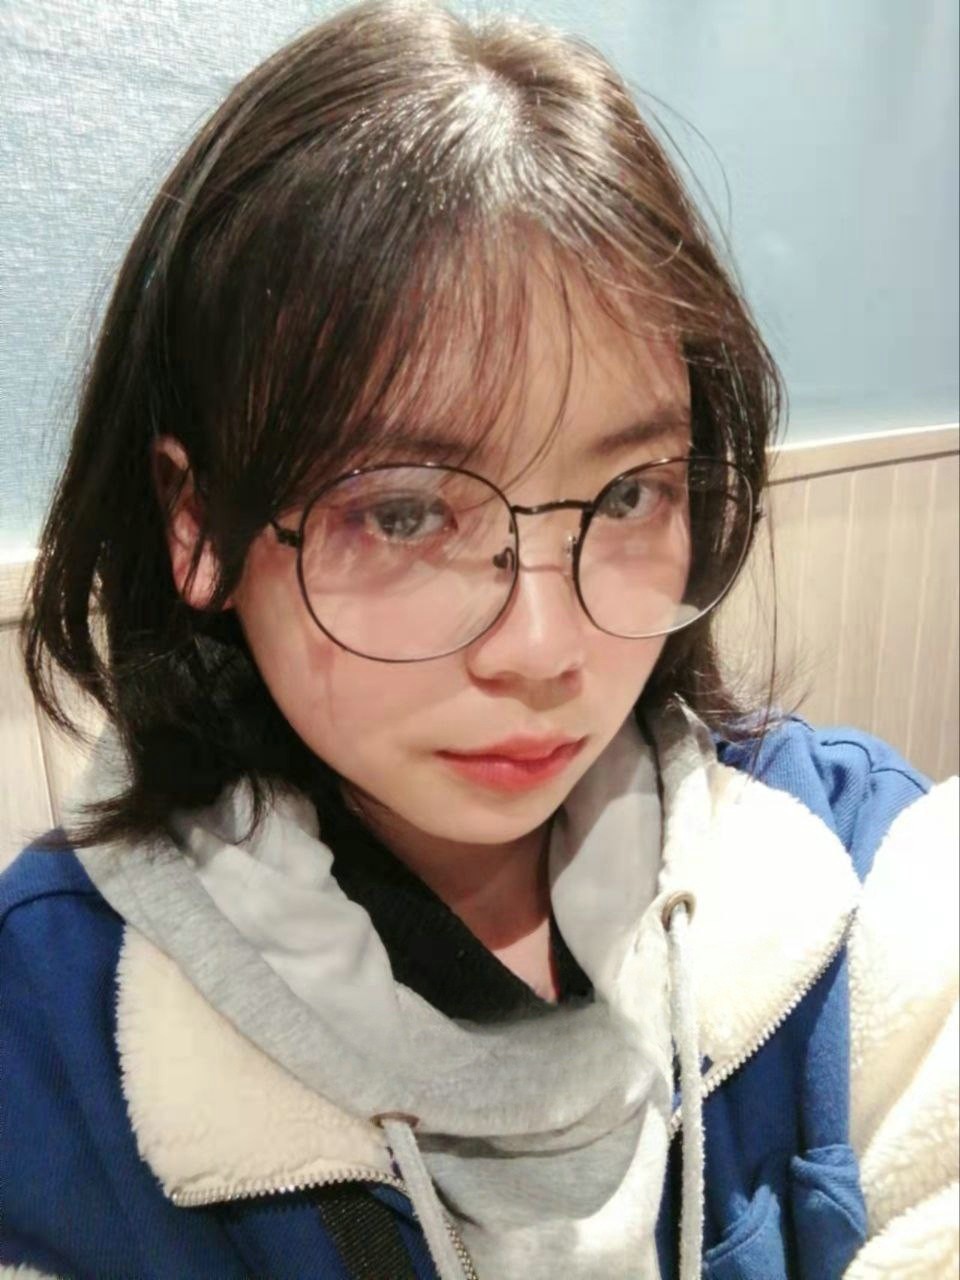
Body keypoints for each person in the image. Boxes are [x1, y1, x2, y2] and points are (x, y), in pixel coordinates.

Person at [2, 3, 956, 1278]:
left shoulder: (845, 863)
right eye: (404, 512)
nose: (546, 648)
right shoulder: (49, 1030)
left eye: (630, 493)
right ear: (198, 523)